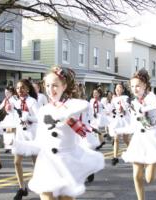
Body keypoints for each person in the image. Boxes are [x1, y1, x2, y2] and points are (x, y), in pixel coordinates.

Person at [14, 66, 104, 200]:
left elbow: (83, 106)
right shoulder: (44, 110)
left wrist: (65, 113)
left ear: (64, 86)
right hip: (47, 161)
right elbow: (40, 141)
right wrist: (17, 144)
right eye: (48, 85)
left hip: (66, 161)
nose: (50, 89)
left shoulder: (72, 105)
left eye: (55, 85)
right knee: (45, 195)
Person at [122, 69, 156, 200]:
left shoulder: (151, 97)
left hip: (152, 138)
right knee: (136, 175)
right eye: (132, 86)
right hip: (139, 138)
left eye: (138, 85)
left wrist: (142, 108)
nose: (135, 89)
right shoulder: (133, 102)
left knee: (149, 179)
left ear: (145, 85)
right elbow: (135, 122)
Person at [11, 79, 39, 200]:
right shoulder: (16, 102)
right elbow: (15, 118)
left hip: (32, 135)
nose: (20, 90)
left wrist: (28, 118)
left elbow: (39, 118)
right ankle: (22, 188)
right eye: (17, 88)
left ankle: (45, 188)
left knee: (37, 164)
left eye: (22, 87)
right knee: (16, 162)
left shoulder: (32, 101)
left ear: (27, 88)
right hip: (21, 135)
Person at [108, 83, 132, 166]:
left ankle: (133, 152)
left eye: (119, 88)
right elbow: (111, 110)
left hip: (125, 120)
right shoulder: (113, 99)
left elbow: (129, 108)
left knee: (126, 140)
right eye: (116, 88)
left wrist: (123, 108)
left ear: (123, 90)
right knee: (116, 138)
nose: (117, 89)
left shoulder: (126, 98)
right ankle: (115, 157)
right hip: (117, 120)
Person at [0, 86, 18, 153]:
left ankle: (14, 145)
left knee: (13, 132)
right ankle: (8, 147)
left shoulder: (14, 98)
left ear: (11, 92)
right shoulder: (5, 99)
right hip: (8, 117)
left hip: (14, 116)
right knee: (7, 131)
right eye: (5, 92)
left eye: (7, 92)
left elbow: (18, 106)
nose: (6, 94)